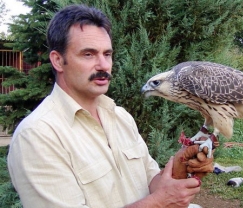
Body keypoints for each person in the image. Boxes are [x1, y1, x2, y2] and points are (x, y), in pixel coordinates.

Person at [7, 4, 203, 208]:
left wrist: (183, 164)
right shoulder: (37, 136)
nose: (103, 65)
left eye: (107, 54)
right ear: (58, 60)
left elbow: (153, 183)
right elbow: (159, 199)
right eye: (88, 54)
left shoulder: (120, 117)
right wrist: (160, 203)